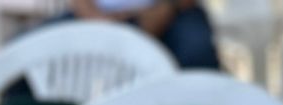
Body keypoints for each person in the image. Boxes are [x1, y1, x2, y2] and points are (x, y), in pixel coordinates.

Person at [72, 0, 222, 70]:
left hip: (172, 13)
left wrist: (167, 7)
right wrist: (97, 19)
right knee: (61, 45)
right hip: (98, 14)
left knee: (197, 51)